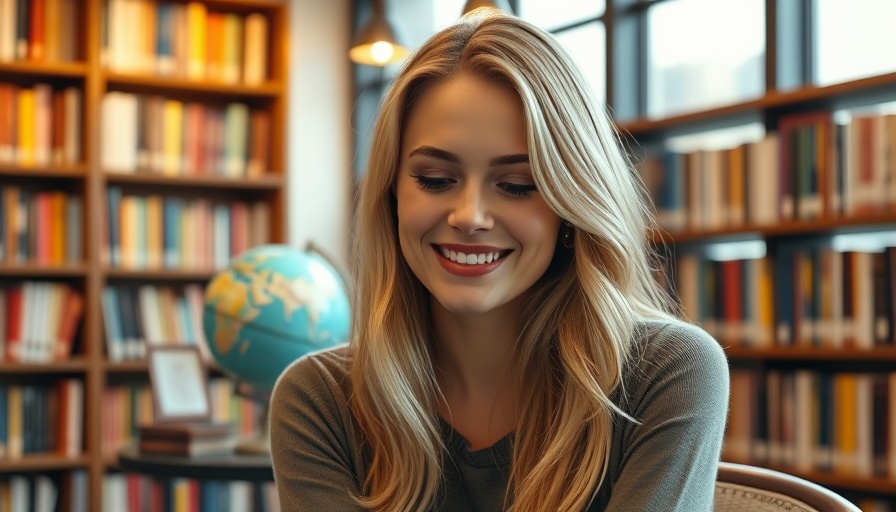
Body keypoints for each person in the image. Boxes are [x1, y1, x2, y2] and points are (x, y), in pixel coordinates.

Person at [270, 8, 728, 512]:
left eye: (516, 185)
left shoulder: (667, 374)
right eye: (435, 180)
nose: (470, 216)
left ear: (571, 205)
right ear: (392, 194)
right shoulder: (319, 401)